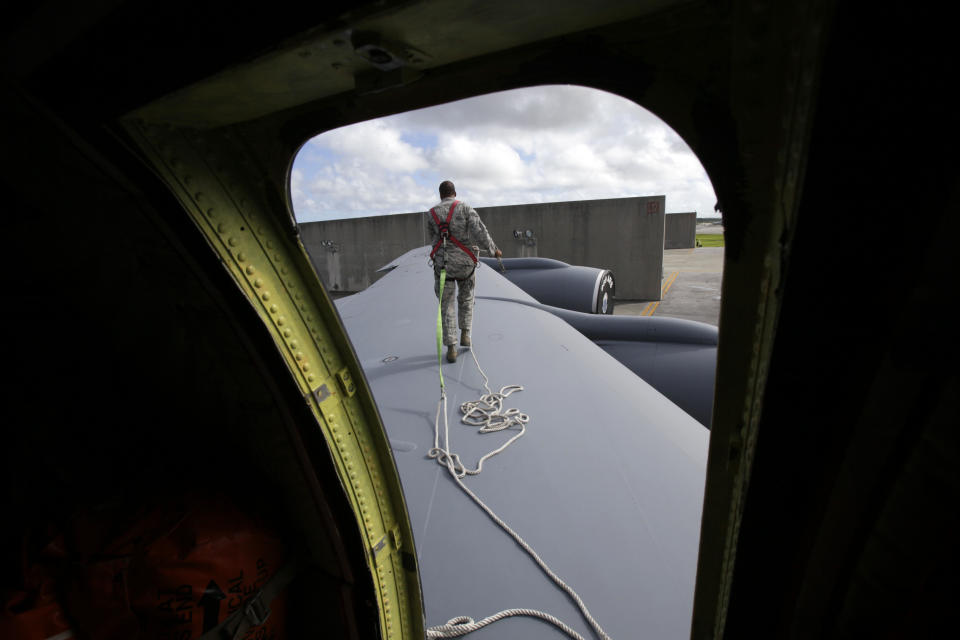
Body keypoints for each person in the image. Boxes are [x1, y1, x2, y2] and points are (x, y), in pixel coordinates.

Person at [426, 181, 501, 363]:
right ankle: (466, 334)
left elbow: (433, 239)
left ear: (441, 195)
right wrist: (493, 250)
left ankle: (451, 348)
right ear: (455, 193)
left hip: (443, 265)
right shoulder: (465, 208)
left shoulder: (432, 213)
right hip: (465, 265)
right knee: (466, 297)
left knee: (447, 305)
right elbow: (480, 231)